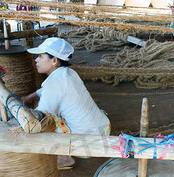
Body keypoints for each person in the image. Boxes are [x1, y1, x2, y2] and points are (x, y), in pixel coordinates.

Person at [24, 37, 111, 169]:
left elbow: (39, 116)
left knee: (46, 119)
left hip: (86, 145)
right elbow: (53, 90)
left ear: (54, 60)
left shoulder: (53, 84)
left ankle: (63, 158)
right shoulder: (69, 73)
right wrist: (34, 94)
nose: (36, 60)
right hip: (104, 130)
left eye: (41, 56)